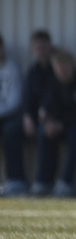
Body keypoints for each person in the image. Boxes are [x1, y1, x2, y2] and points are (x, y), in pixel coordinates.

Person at [35, 48, 76, 196]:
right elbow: (44, 108)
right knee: (44, 134)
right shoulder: (53, 84)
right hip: (57, 126)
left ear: (72, 66)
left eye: (65, 67)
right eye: (59, 68)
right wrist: (47, 121)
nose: (62, 71)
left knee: (75, 137)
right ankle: (44, 181)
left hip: (73, 127)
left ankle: (66, 182)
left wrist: (61, 124)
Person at [20, 30, 55, 195]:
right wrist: (27, 117)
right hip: (37, 117)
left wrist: (47, 116)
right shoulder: (32, 72)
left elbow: (56, 97)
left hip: (54, 118)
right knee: (12, 130)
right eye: (37, 47)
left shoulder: (56, 69)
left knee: (44, 133)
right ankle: (16, 180)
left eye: (44, 46)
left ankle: (43, 181)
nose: (41, 50)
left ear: (49, 47)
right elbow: (27, 99)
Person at [0, 33, 25, 196]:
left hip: (10, 116)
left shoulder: (11, 69)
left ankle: (16, 180)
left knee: (11, 130)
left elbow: (14, 102)